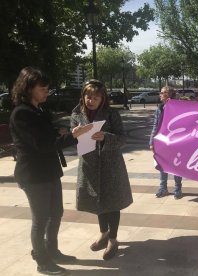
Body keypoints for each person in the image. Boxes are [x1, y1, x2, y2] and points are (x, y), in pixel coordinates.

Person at [9, 67, 92, 275]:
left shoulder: (38, 110)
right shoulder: (22, 113)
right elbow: (42, 144)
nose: (47, 91)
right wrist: (74, 136)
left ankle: (52, 250)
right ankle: (42, 261)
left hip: (49, 171)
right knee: (41, 218)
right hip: (34, 174)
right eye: (42, 88)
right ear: (28, 88)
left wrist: (60, 131)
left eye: (47, 87)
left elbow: (45, 133)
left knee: (56, 213)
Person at [71, 79, 133, 260]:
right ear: (83, 96)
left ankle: (113, 238)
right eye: (88, 96)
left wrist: (105, 136)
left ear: (102, 98)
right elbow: (72, 137)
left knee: (112, 201)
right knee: (98, 201)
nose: (91, 100)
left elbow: (122, 139)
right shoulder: (76, 113)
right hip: (89, 164)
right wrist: (74, 134)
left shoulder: (112, 114)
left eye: (95, 97)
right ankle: (103, 233)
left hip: (110, 165)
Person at [149, 86, 184, 200]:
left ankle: (178, 189)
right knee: (162, 165)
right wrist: (152, 142)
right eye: (161, 92)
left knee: (176, 165)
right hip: (161, 141)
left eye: (163, 93)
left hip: (174, 141)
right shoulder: (159, 108)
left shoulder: (177, 107)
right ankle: (162, 188)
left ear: (169, 95)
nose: (160, 94)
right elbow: (155, 125)